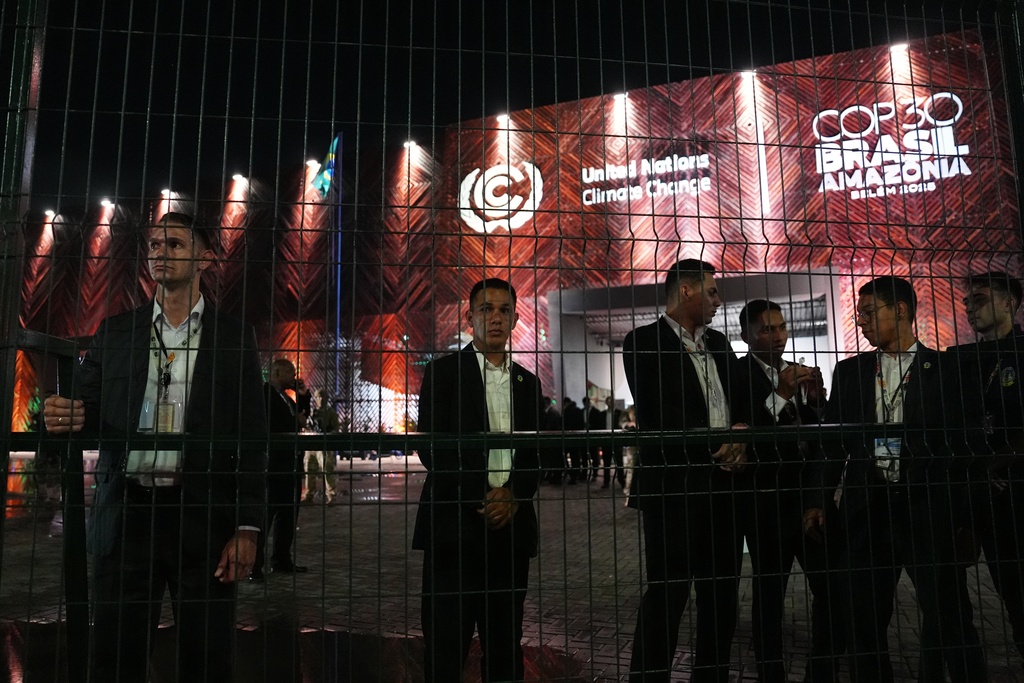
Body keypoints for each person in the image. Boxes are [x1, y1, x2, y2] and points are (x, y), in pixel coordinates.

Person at [42, 211, 267, 681]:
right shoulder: (116, 331)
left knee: (206, 659)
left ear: (206, 256)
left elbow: (251, 437)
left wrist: (248, 527)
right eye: (154, 245)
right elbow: (88, 413)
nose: (159, 253)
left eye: (175, 244)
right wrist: (66, 416)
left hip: (202, 516)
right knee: (115, 657)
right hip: (127, 515)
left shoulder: (234, 338)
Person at [805, 276, 987, 682]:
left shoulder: (946, 370)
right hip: (866, 511)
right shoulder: (851, 372)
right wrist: (818, 499)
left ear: (900, 311)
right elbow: (833, 444)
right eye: (860, 313)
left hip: (927, 511)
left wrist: (968, 520)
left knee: (951, 618)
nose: (862, 321)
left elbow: (966, 454)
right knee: (865, 625)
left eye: (870, 312)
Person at [412, 277, 543, 683]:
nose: (497, 318)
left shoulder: (528, 383)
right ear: (469, 320)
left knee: (505, 646)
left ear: (517, 318)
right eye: (486, 309)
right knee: (446, 647)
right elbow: (433, 449)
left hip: (510, 532)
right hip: (456, 528)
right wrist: (483, 497)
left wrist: (514, 496)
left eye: (505, 310)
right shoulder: (443, 374)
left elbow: (537, 453)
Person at [623, 259, 747, 683]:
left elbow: (740, 400)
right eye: (712, 291)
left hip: (724, 489)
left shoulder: (719, 344)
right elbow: (660, 414)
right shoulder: (642, 342)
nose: (718, 300)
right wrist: (719, 442)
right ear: (688, 291)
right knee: (667, 594)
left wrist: (742, 436)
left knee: (721, 597)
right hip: (674, 489)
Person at [730, 299, 844, 682]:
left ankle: (822, 667)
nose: (777, 335)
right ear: (745, 335)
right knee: (769, 598)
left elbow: (815, 435)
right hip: (766, 503)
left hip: (809, 499)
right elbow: (744, 431)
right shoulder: (735, 373)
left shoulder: (794, 371)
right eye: (766, 329)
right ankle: (770, 671)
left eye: (780, 327)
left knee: (831, 588)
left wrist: (815, 402)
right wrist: (779, 394)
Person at [948, 271, 1024, 660]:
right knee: (1011, 591)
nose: (969, 309)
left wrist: (997, 462)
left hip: (1016, 486)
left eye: (978, 300)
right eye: (965, 303)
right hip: (989, 501)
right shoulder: (966, 360)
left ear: (1009, 302)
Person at [252, 358, 311, 580]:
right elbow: (284, 425)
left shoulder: (286, 397)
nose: (294, 377)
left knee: (288, 514)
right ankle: (255, 565)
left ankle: (281, 558)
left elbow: (302, 420)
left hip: (290, 464)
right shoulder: (266, 396)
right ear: (277, 373)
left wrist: (305, 397)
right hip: (276, 465)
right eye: (291, 373)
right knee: (268, 515)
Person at [304, 388, 339, 504]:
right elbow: (307, 426)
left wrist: (327, 434)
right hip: (312, 445)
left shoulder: (331, 413)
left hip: (323, 445)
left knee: (327, 470)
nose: (321, 399)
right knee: (309, 470)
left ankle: (331, 496)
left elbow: (335, 429)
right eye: (318, 397)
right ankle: (309, 494)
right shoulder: (313, 412)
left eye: (323, 397)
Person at [598, 395, 625, 489]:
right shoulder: (602, 414)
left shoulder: (620, 413)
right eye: (608, 401)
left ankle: (622, 480)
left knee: (619, 463)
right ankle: (606, 482)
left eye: (612, 401)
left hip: (617, 441)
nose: (610, 403)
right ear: (606, 403)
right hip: (606, 442)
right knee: (606, 463)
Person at [562, 396, 586, 484]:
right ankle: (576, 474)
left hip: (567, 438)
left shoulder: (566, 411)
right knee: (575, 458)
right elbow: (582, 425)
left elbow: (563, 425)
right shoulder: (579, 411)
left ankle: (571, 474)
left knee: (565, 457)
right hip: (577, 437)